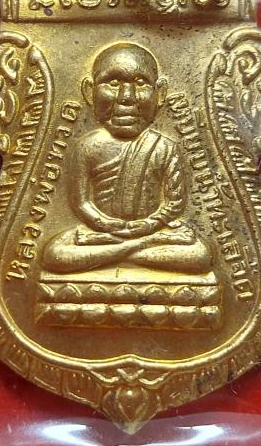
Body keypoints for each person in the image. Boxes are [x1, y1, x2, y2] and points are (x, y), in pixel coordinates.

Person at [42, 42, 212, 274]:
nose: (127, 98)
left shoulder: (164, 147)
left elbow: (174, 203)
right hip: (102, 233)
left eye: (140, 83)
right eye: (113, 83)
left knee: (199, 255)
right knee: (55, 254)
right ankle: (135, 250)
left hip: (152, 231)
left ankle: (120, 253)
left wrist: (149, 225)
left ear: (160, 93)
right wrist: (104, 224)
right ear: (89, 92)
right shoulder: (86, 147)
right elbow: (81, 203)